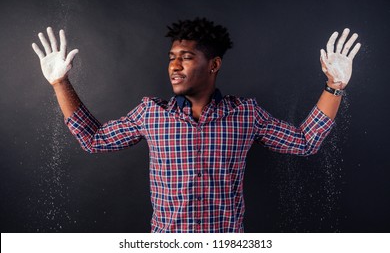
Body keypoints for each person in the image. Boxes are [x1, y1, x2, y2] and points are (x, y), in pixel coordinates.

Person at [32, 18, 361, 233]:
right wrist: (60, 83)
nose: (174, 65)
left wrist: (335, 87)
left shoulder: (246, 114)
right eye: (172, 57)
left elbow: (304, 142)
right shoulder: (151, 113)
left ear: (213, 64)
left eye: (186, 57)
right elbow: (93, 139)